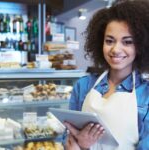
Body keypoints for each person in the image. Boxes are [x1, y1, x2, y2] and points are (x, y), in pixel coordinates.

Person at [64, 0, 149, 149]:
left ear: (141, 45)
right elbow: (67, 137)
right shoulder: (83, 86)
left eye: (127, 42)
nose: (116, 49)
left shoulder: (146, 95)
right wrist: (81, 146)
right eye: (109, 41)